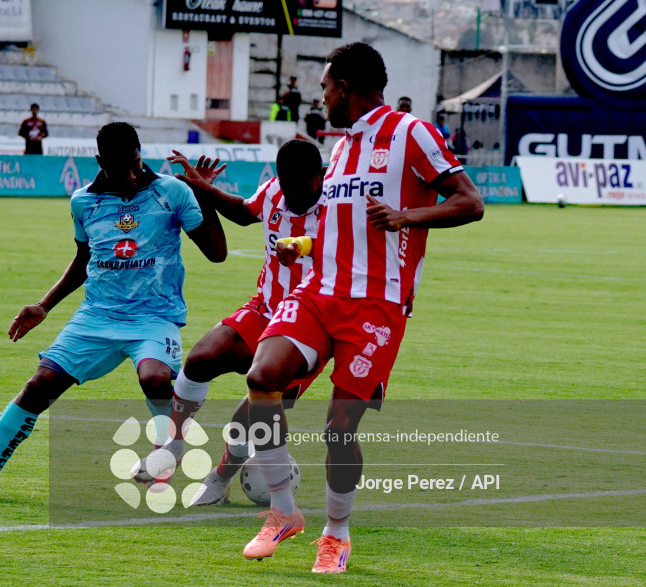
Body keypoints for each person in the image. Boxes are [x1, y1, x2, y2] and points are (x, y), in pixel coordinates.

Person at [240, 42, 484, 573]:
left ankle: (336, 533)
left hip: (377, 304)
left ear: (345, 88)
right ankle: (283, 511)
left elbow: (470, 201)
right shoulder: (343, 147)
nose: (321, 95)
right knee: (262, 378)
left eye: (326, 86)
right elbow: (339, 226)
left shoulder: (409, 133)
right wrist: (300, 247)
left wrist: (407, 216)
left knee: (338, 427)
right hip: (318, 290)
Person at [0, 122, 227, 499]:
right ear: (99, 161)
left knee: (154, 378)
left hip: (154, 316)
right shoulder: (84, 201)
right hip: (96, 317)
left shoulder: (172, 191)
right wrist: (44, 305)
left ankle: (167, 449)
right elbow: (84, 259)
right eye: (120, 167)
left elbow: (217, 254)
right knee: (38, 387)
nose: (130, 175)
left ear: (141, 154)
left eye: (135, 163)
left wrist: (203, 194)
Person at [133, 140, 326, 506]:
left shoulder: (339, 204)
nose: (293, 196)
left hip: (309, 327)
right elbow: (242, 211)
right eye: (286, 185)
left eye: (301, 187)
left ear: (320, 177)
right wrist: (203, 189)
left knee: (250, 419)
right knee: (202, 358)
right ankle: (171, 447)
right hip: (265, 309)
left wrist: (303, 245)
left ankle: (219, 480)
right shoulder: (274, 191)